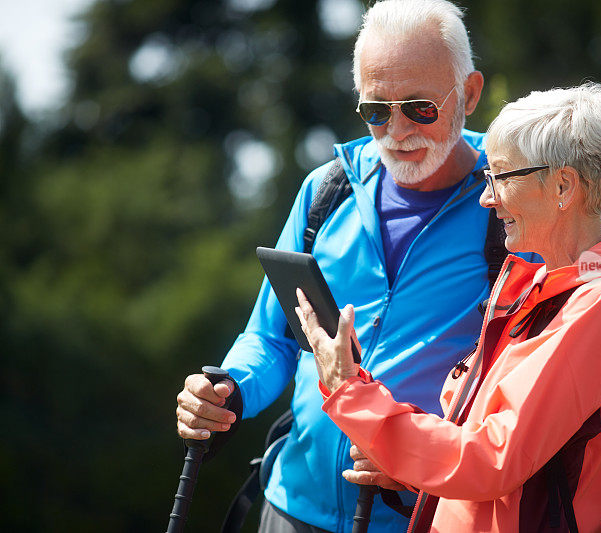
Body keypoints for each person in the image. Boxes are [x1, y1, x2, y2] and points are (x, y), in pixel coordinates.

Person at [175, 1, 525, 532]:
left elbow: (529, 388)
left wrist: (418, 460)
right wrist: (227, 388)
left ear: (471, 93)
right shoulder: (325, 190)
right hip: (291, 506)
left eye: (420, 109)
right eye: (376, 110)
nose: (398, 129)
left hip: (422, 518)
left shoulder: (511, 204)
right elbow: (272, 338)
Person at [296, 82, 601, 533]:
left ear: (563, 186)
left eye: (500, 177)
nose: (488, 198)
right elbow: (501, 459)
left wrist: (349, 391)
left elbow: (492, 458)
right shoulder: (550, 291)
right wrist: (408, 466)